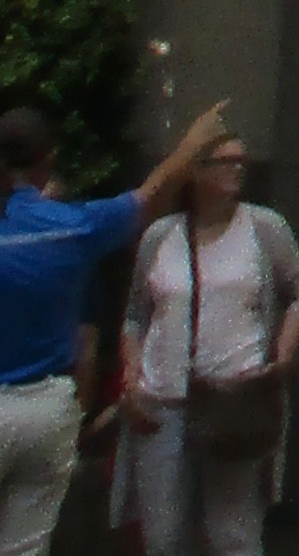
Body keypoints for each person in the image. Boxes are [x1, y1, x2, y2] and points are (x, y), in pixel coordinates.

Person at [0, 104, 231, 556]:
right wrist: (192, 145)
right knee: (25, 548)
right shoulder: (72, 228)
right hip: (46, 410)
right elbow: (148, 198)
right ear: (49, 158)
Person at [115, 132, 299, 556]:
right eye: (225, 161)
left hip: (233, 400)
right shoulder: (160, 236)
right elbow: (135, 315)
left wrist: (283, 356)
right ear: (196, 171)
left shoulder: (264, 228)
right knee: (164, 539)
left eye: (242, 161)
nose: (237, 169)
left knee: (232, 537)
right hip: (163, 400)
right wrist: (131, 377)